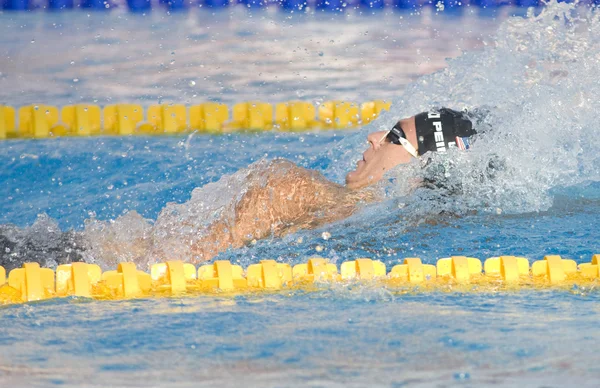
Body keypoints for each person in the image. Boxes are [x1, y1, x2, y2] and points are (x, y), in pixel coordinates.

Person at [0, 108, 481, 269]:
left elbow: (181, 260)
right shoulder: (412, 235)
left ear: (414, 169)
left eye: (395, 136)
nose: (374, 137)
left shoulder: (296, 187)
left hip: (78, 263)